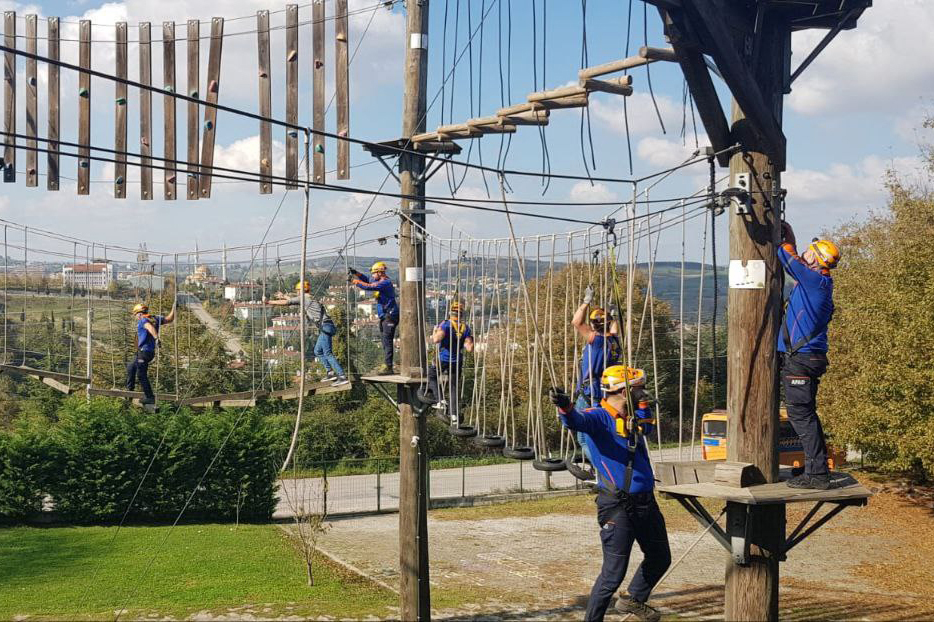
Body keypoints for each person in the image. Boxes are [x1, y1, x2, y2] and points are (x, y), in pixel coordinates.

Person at [549, 366, 670, 622]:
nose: (643, 392)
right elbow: (576, 421)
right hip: (617, 505)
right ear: (623, 390)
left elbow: (646, 429)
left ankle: (633, 599)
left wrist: (641, 407)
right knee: (612, 575)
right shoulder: (599, 417)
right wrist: (565, 406)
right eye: (638, 388)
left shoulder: (633, 416)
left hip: (645, 502)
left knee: (660, 557)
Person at [779, 221, 840, 490]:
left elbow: (785, 255)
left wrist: (786, 234)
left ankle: (817, 474)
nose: (805, 253)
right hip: (806, 357)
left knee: (801, 415)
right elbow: (793, 255)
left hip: (801, 359)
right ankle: (816, 468)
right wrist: (789, 230)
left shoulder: (814, 280)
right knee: (805, 414)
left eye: (809, 251)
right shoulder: (819, 281)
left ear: (815, 256)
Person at [571, 285, 622, 460]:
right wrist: (611, 314)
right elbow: (613, 328)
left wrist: (586, 302)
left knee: (583, 438)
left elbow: (576, 322)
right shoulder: (614, 340)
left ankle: (601, 467)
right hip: (605, 392)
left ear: (594, 325)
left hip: (589, 392)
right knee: (599, 433)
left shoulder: (597, 340)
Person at [265, 281, 349, 386]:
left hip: (325, 327)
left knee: (327, 353)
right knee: (317, 351)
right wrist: (284, 296)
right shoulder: (309, 297)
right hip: (326, 326)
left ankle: (342, 376)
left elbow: (288, 303)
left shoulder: (304, 298)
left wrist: (269, 302)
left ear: (302, 290)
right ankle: (330, 372)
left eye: (297, 290)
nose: (296, 292)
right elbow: (293, 300)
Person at [420, 301, 474, 425]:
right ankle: (454, 414)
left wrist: (434, 332)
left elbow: (436, 339)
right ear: (461, 314)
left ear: (451, 313)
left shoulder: (446, 325)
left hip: (443, 358)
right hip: (457, 361)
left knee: (432, 375)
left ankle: (440, 400)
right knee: (454, 387)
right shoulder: (466, 328)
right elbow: (469, 348)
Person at [349, 261, 399, 374]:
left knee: (387, 341)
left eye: (374, 273)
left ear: (380, 273)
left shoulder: (385, 283)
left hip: (390, 315)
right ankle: (387, 364)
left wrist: (354, 281)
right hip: (385, 316)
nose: (372, 275)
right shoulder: (379, 280)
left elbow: (369, 286)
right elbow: (367, 279)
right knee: (384, 340)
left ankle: (389, 366)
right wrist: (356, 273)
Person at [127, 302, 175, 405]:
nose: (135, 317)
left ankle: (149, 397)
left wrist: (156, 338)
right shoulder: (154, 318)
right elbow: (170, 319)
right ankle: (129, 392)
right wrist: (174, 307)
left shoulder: (143, 320)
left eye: (135, 315)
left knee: (141, 374)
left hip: (144, 352)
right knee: (131, 366)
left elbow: (149, 327)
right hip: (144, 353)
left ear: (139, 313)